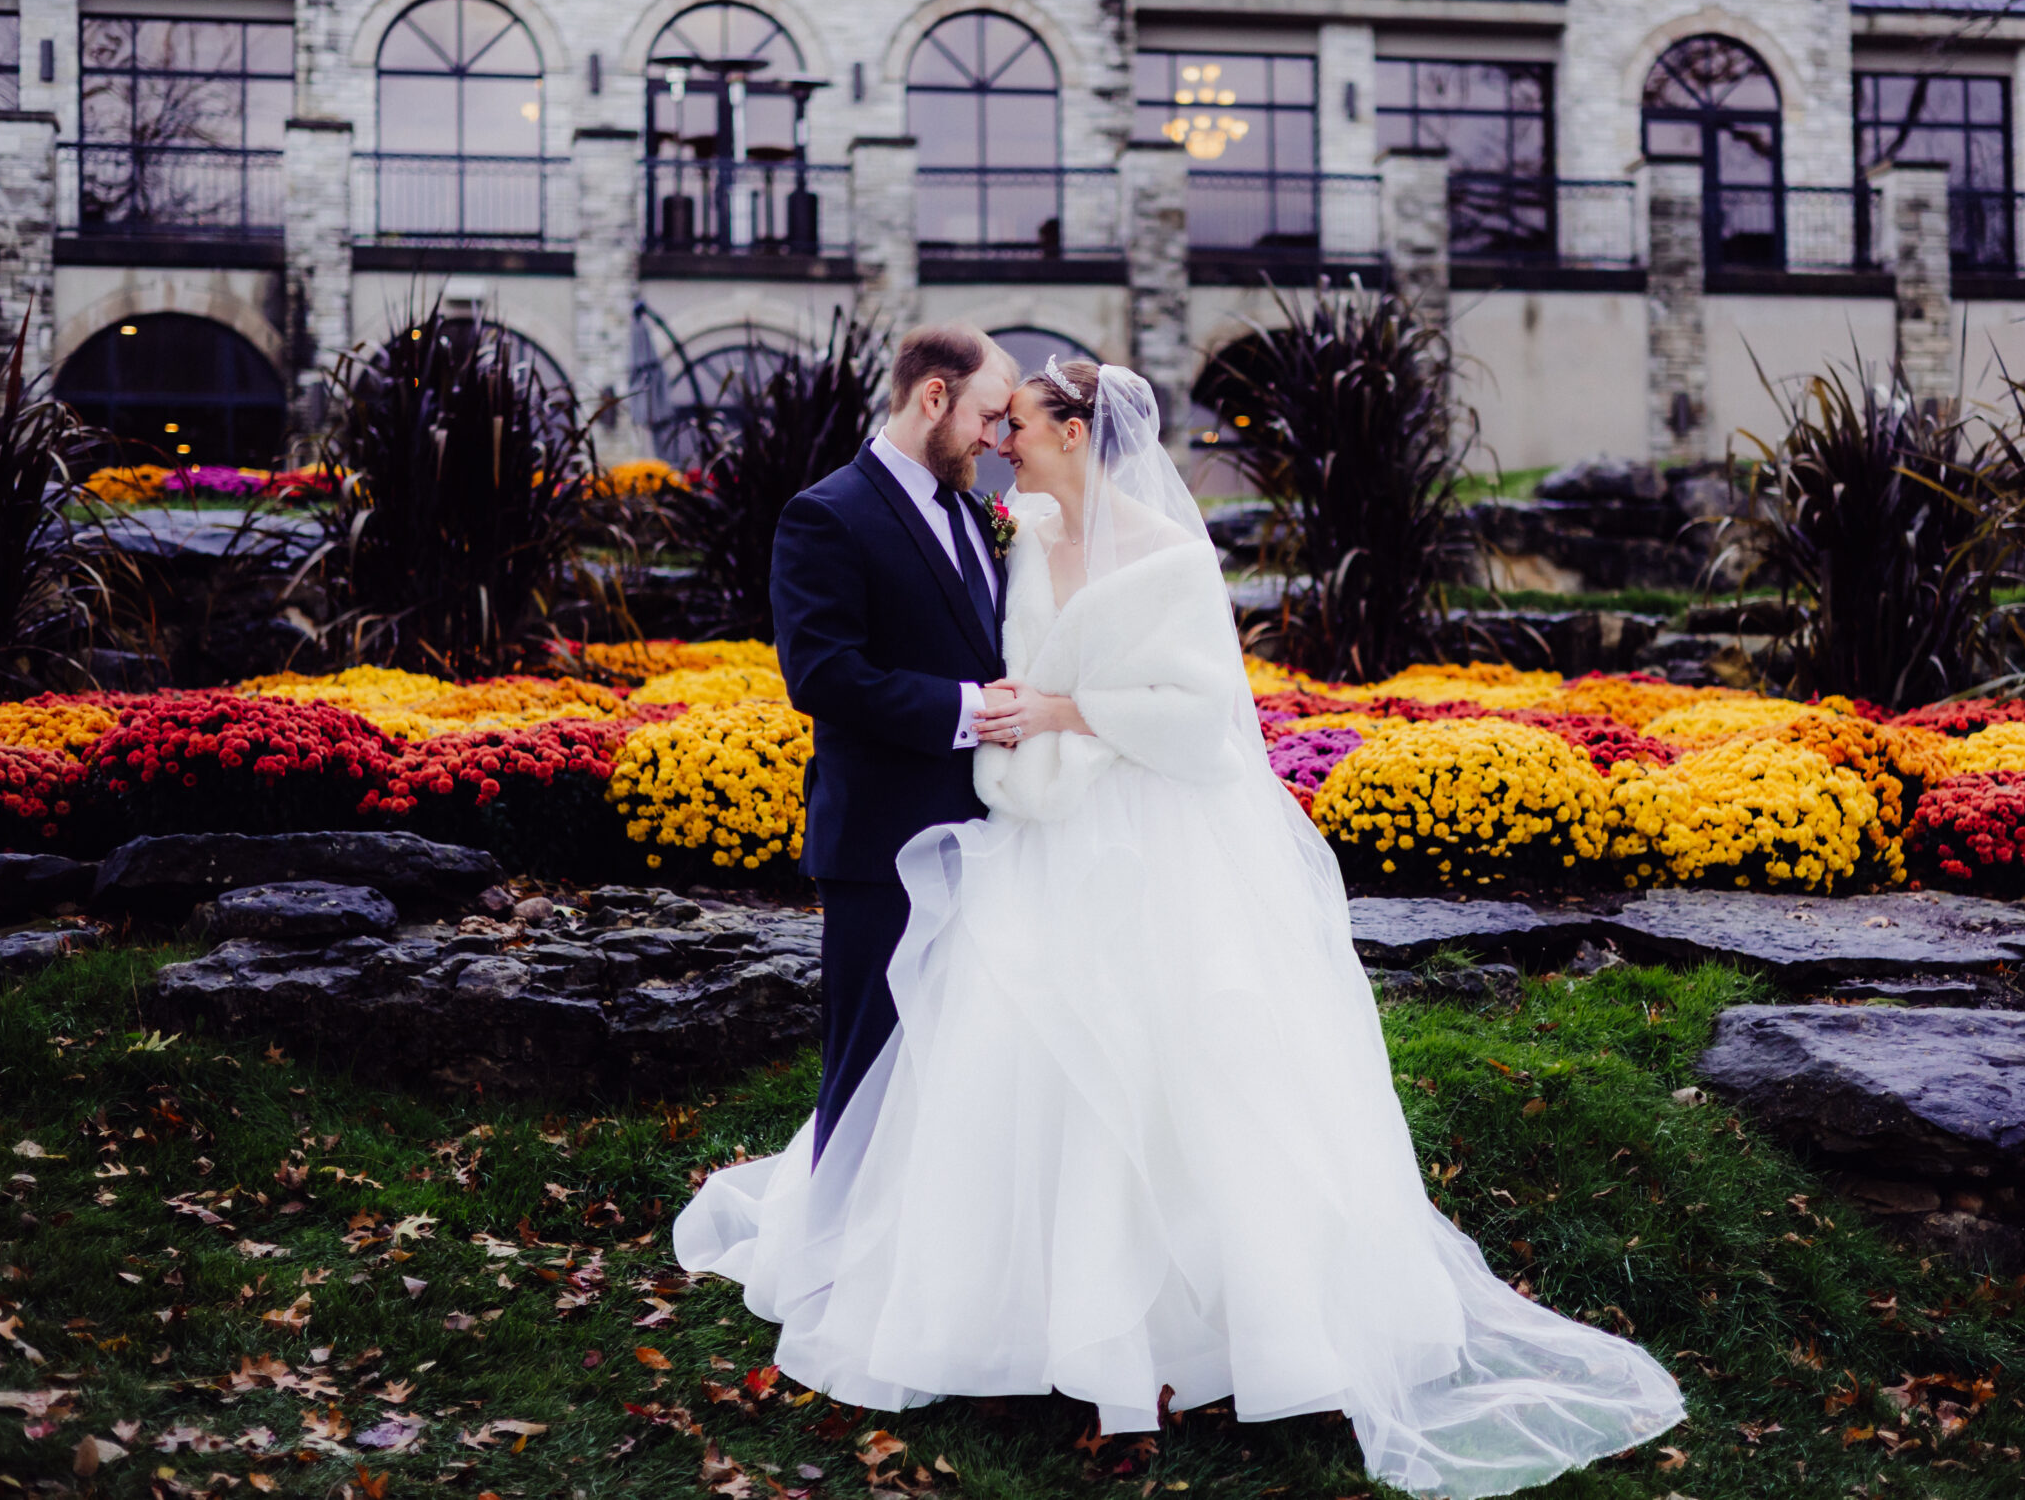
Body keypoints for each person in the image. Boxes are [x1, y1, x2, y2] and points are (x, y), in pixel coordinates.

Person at [678, 355, 1684, 1497]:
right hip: (1034, 840)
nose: (1000, 437)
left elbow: (1205, 722)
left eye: (1017, 420)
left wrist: (1064, 711)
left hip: (1142, 842)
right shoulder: (1020, 532)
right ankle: (1016, 1321)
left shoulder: (1163, 551)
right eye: (992, 418)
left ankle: (1159, 1347)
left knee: (1154, 1077)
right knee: (1020, 1073)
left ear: (1074, 426)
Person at [762, 322, 1020, 1158]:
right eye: (987, 416)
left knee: (957, 1069)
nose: (996, 437)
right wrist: (970, 708)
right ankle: (831, 1252)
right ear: (933, 395)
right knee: (867, 1067)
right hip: (880, 843)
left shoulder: (979, 513)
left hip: (984, 838)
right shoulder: (827, 514)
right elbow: (825, 675)